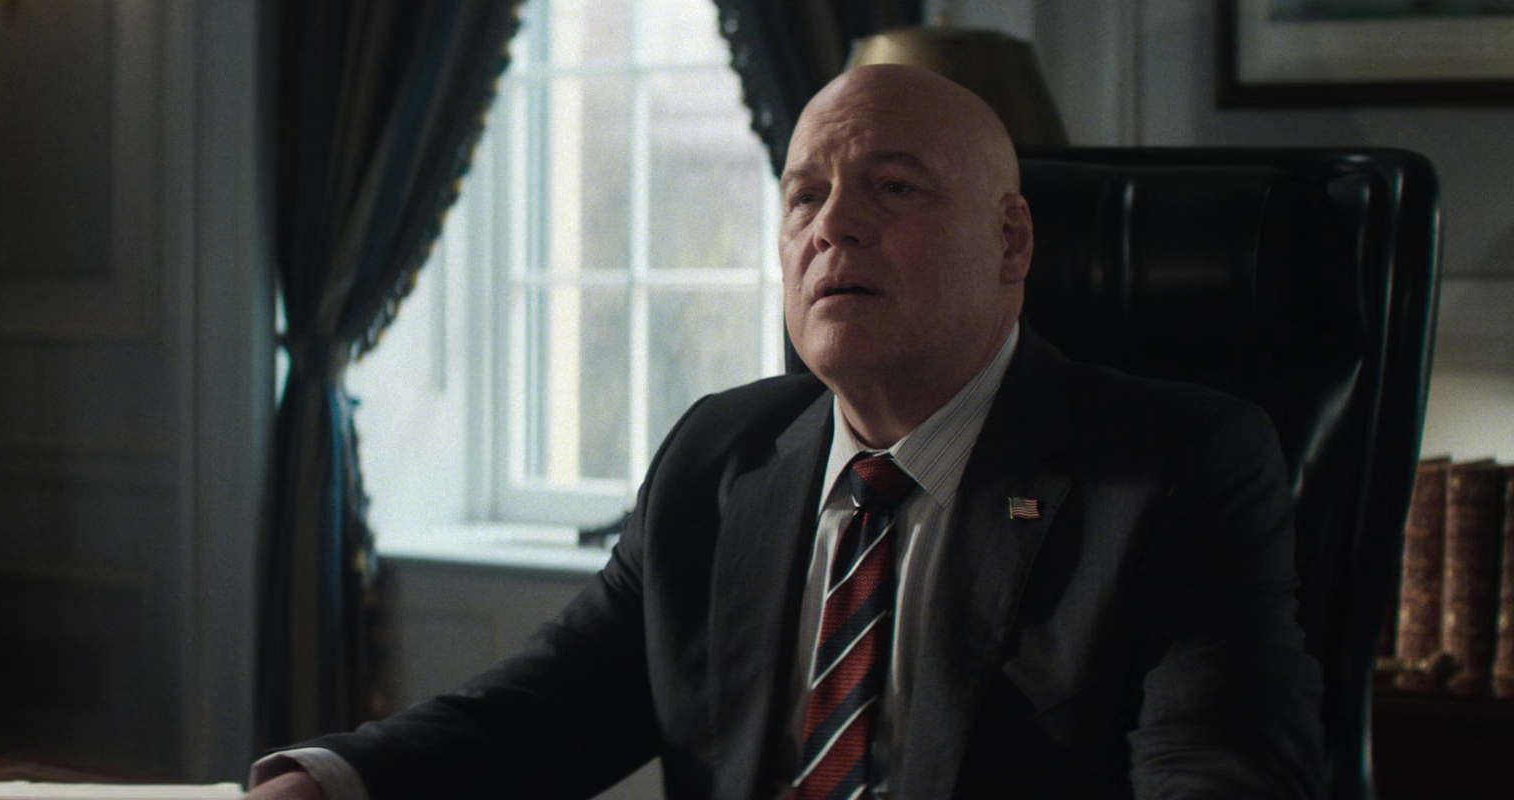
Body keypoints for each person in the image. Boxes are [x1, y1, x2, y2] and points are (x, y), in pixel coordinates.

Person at [248, 64, 1324, 799]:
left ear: (1011, 243)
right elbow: (539, 715)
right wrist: (330, 781)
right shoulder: (721, 456)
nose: (833, 224)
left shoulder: (1180, 468)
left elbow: (1217, 768)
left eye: (892, 187)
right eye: (805, 195)